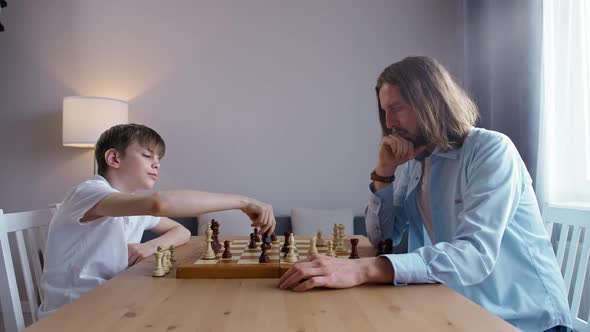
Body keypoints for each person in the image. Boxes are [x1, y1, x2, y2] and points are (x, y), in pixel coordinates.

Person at [278, 56, 572, 332]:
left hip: (525, 319)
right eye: (384, 111)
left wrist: (362, 270)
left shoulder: (491, 150)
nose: (389, 123)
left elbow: (474, 256)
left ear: (432, 102)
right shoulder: (416, 164)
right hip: (461, 306)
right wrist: (384, 172)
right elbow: (384, 239)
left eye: (398, 108)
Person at [39, 123, 276, 317]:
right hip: (73, 315)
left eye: (159, 158)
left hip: (111, 303)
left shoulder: (128, 203)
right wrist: (244, 202)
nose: (157, 163)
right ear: (113, 158)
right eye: (146, 155)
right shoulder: (89, 192)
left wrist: (148, 246)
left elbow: (181, 231)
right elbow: (159, 204)